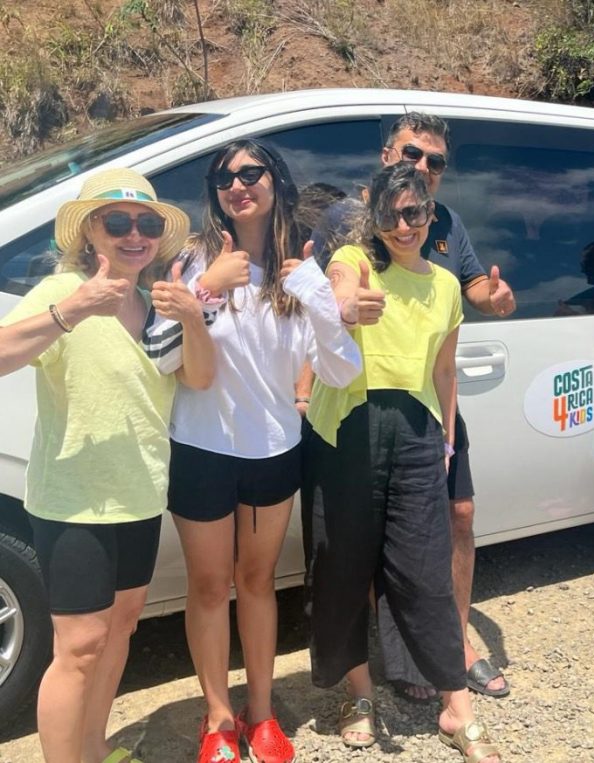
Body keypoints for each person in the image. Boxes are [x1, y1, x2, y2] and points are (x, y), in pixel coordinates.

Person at [154, 140, 362, 763]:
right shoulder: (192, 258)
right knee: (211, 586)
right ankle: (219, 718)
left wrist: (320, 295)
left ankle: (262, 713)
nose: (238, 185)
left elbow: (342, 371)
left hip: (273, 446)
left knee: (259, 581)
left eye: (252, 172)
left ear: (277, 181)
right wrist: (208, 290)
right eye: (225, 176)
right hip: (201, 445)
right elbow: (162, 353)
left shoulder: (303, 265)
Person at [0, 168, 214, 763]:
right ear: (91, 233)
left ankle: (92, 749)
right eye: (116, 222)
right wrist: (73, 310)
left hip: (140, 495)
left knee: (120, 630)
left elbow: (197, 377)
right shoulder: (60, 292)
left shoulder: (157, 305)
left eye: (145, 224)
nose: (133, 234)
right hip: (73, 499)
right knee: (80, 647)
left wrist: (193, 317)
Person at [301, 111, 515, 701]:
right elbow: (320, 300)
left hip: (426, 401)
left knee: (453, 520)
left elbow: (467, 292)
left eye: (435, 161)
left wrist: (494, 299)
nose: (422, 168)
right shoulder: (347, 219)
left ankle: (445, 648)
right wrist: (305, 387)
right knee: (365, 540)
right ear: (385, 155)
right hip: (357, 402)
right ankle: (389, 666)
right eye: (411, 154)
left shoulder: (449, 223)